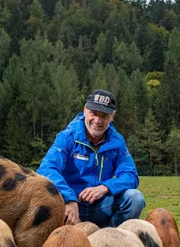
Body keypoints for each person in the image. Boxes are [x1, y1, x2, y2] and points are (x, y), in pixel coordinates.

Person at [37, 89, 145, 228]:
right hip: (71, 207)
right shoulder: (67, 137)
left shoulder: (117, 142)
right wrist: (69, 199)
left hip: (101, 206)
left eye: (104, 115)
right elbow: (46, 169)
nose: (98, 121)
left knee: (135, 198)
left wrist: (105, 187)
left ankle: (113, 239)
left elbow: (131, 176)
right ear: (85, 111)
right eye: (94, 113)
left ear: (112, 116)